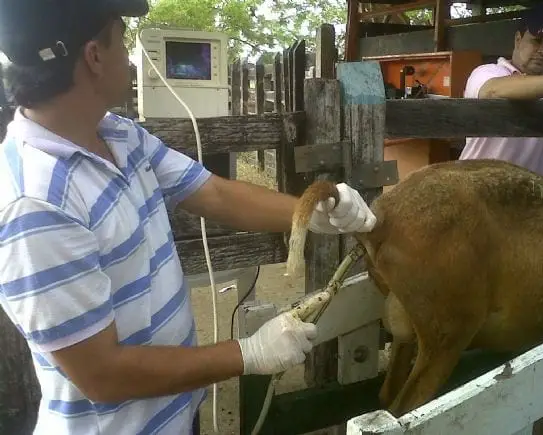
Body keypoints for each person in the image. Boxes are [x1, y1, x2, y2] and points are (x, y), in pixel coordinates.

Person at [0, 1, 377, 434]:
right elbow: (102, 375)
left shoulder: (118, 135)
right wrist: (247, 353)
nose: (129, 54)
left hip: (176, 413)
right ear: (94, 56)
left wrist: (311, 214)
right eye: (121, 38)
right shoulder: (36, 206)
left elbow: (213, 192)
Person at [459, 1, 543, 187]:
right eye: (537, 40)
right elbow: (492, 90)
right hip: (483, 192)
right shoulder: (487, 72)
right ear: (518, 39)